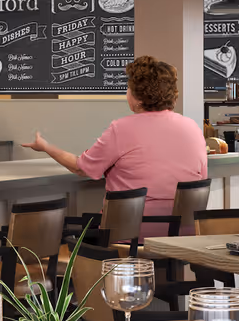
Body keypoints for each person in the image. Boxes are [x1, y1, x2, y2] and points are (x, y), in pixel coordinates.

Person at [25, 56, 207, 223]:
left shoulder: (122, 129)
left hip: (131, 232)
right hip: (183, 235)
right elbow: (200, 179)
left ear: (138, 98)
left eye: (128, 88)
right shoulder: (192, 127)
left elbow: (80, 168)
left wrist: (46, 147)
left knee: (73, 230)